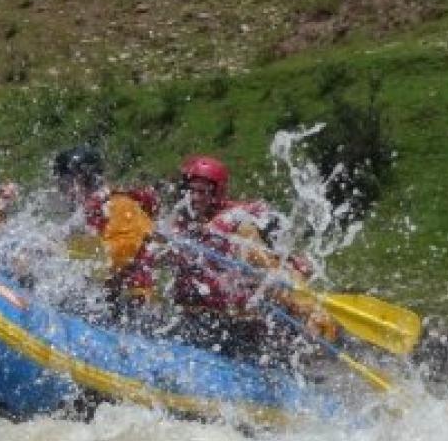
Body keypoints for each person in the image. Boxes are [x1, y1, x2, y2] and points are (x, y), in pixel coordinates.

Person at [125, 154, 339, 358]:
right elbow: (153, 261)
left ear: (216, 193)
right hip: (192, 317)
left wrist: (306, 307)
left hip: (235, 326)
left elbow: (272, 272)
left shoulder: (238, 227)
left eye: (203, 192)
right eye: (192, 191)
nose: (195, 198)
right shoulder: (181, 224)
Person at [50, 146, 161, 306]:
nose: (64, 192)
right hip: (104, 298)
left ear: (86, 178)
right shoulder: (87, 211)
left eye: (66, 183)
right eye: (61, 184)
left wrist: (61, 255)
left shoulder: (121, 206)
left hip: (132, 304)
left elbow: (115, 259)